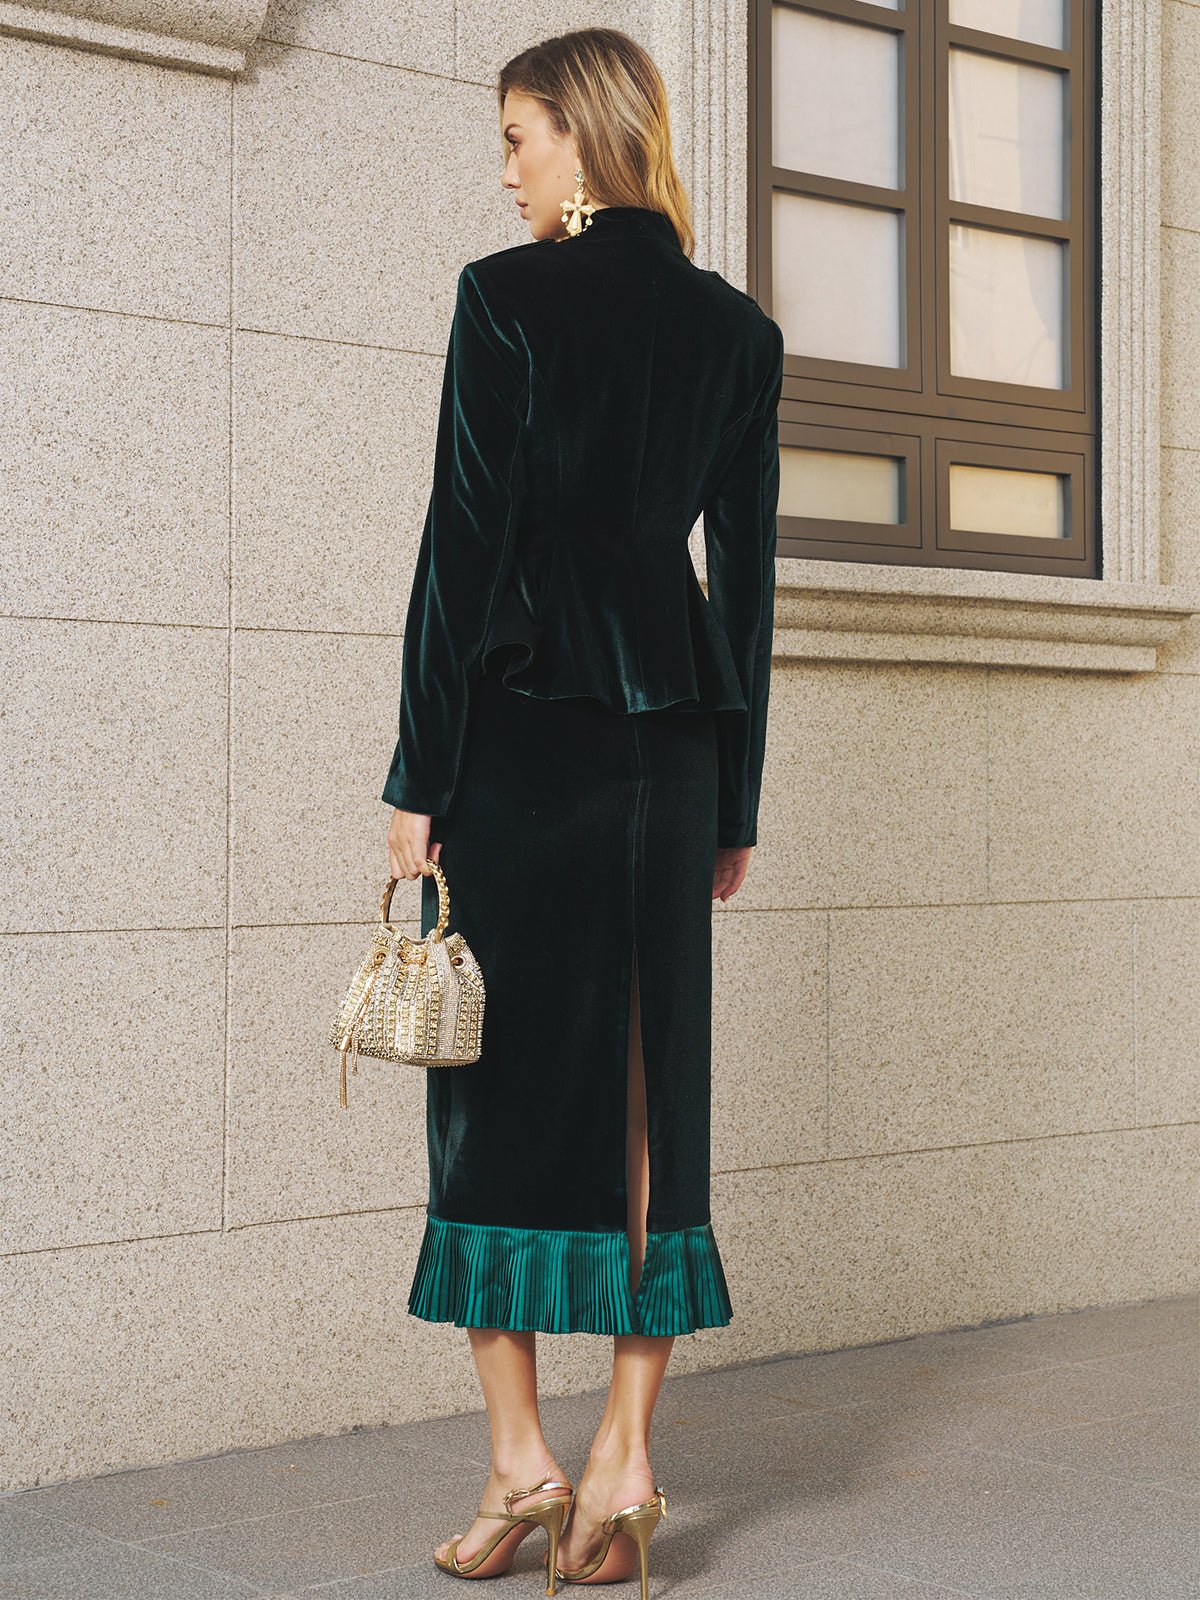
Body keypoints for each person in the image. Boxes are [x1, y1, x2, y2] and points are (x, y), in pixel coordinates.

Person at [381, 26, 784, 1598]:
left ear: (584, 139)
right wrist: (733, 799)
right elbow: (742, 593)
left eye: (519, 136)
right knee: (642, 1100)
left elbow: (460, 550)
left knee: (483, 1081)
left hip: (524, 742)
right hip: (672, 755)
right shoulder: (737, 334)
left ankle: (516, 1459)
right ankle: (623, 1466)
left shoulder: (507, 296)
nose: (505, 169)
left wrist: (419, 777)